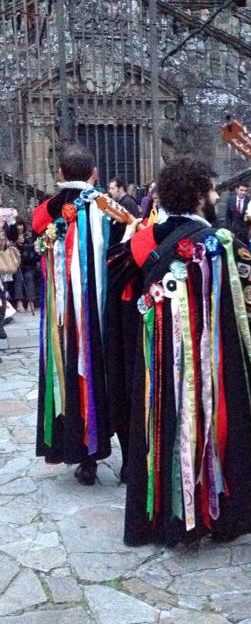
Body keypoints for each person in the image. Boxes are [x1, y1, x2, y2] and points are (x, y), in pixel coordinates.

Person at [106, 156, 251, 547]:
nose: (217, 197)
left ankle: (167, 517)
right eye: (214, 190)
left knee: (166, 425)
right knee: (222, 423)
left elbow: (117, 283)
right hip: (220, 366)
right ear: (201, 195)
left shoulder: (144, 241)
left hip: (163, 366)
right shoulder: (224, 243)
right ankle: (227, 514)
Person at [32, 144, 118, 485]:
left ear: (60, 173)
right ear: (94, 173)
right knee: (97, 370)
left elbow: (38, 230)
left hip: (60, 313)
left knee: (65, 370)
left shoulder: (48, 209)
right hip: (98, 310)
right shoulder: (106, 206)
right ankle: (102, 448)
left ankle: (72, 448)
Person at [10, 218, 38, 313]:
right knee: (18, 278)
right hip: (17, 264)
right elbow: (9, 250)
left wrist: (25, 244)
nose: (19, 227)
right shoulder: (12, 237)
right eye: (17, 225)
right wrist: (16, 243)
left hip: (29, 264)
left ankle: (31, 302)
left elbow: (33, 249)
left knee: (29, 277)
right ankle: (19, 302)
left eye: (21, 225)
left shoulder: (29, 236)